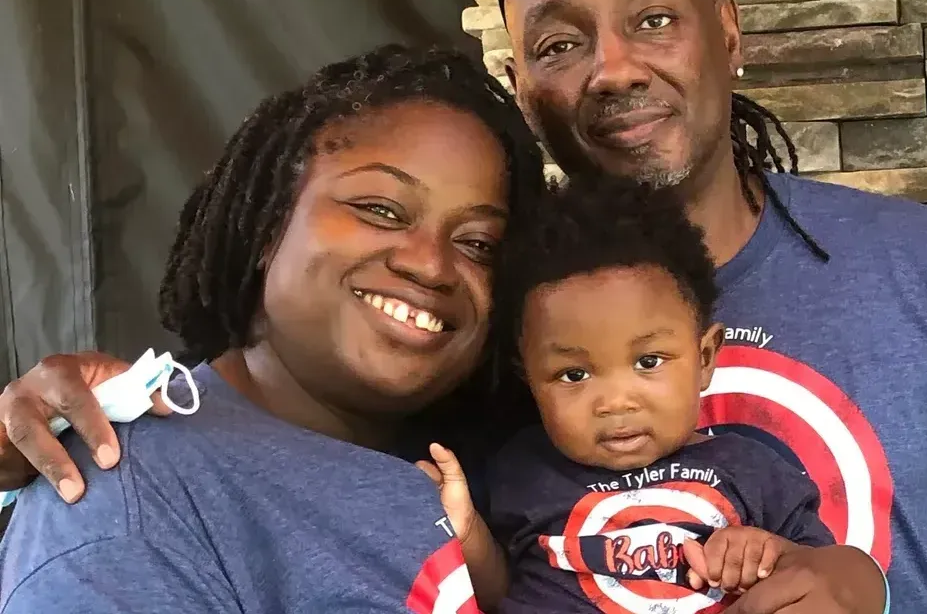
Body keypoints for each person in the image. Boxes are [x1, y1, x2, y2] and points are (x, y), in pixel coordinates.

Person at [0, 0, 927, 611]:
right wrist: (78, 430)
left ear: (724, 29)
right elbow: (278, 436)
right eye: (558, 40)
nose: (611, 68)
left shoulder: (921, 266)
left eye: (650, 17)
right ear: (523, 86)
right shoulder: (478, 336)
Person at [0, 44, 551, 613]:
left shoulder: (515, 461)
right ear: (268, 225)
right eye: (380, 209)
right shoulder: (130, 501)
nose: (431, 264)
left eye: (478, 244)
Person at [422, 174, 837, 613]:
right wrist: (467, 530)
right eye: (574, 374)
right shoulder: (519, 471)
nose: (616, 402)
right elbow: (499, 593)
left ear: (705, 358)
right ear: (528, 377)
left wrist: (765, 552)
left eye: (649, 362)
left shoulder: (756, 472)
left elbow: (821, 580)